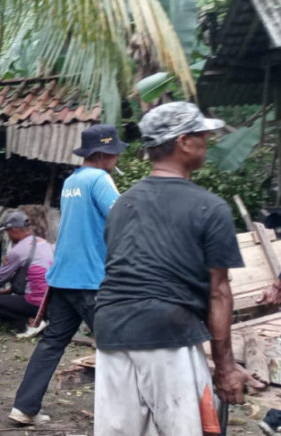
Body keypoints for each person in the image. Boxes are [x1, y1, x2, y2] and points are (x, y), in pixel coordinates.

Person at [93, 102, 261, 434]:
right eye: (203, 135)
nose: (208, 141)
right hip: (169, 337)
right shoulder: (209, 207)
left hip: (111, 330)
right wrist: (225, 367)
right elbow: (218, 292)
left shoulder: (122, 205)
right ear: (184, 141)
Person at [9, 124, 127, 425]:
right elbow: (123, 222)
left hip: (62, 279)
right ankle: (120, 417)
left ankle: (24, 407)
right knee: (117, 348)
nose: (116, 158)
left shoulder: (71, 181)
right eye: (114, 152)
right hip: (90, 280)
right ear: (101, 153)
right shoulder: (100, 180)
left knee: (51, 344)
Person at [0, 210, 52, 336]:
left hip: (37, 302)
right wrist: (5, 292)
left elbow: (1, 278)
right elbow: (28, 280)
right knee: (9, 298)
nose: (8, 235)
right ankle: (41, 319)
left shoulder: (18, 250)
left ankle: (28, 324)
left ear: (14, 230)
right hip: (51, 302)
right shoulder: (44, 243)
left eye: (8, 232)